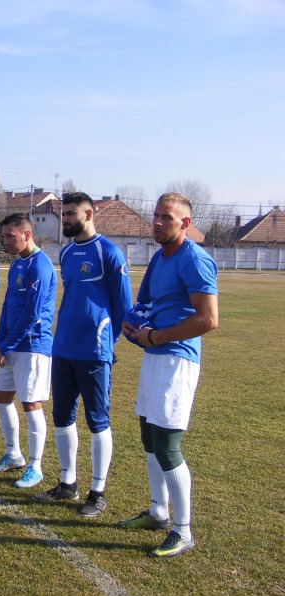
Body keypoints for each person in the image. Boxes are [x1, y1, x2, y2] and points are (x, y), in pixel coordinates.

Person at [117, 193, 218, 557]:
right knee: (148, 434)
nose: (158, 222)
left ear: (185, 224)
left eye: (167, 217)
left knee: (168, 444)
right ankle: (159, 511)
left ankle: (183, 529)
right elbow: (143, 305)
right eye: (156, 216)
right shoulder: (160, 258)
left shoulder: (195, 260)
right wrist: (132, 324)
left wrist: (157, 335)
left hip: (177, 359)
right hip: (155, 355)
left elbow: (208, 319)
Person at [32, 192, 131, 517]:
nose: (66, 220)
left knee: (97, 420)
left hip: (93, 351)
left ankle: (97, 491)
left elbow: (123, 307)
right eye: (65, 213)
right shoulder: (67, 252)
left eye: (71, 214)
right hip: (63, 348)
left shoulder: (109, 252)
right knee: (62, 416)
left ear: (89, 214)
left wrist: (105, 342)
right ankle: (68, 483)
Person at [0, 214, 57, 490]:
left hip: (33, 347)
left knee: (31, 404)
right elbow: (7, 306)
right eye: (4, 236)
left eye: (10, 236)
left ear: (27, 235)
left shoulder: (40, 266)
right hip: (11, 344)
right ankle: (13, 454)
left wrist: (6, 345)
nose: (5, 242)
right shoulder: (17, 264)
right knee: (1, 399)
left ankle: (35, 466)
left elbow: (32, 315)